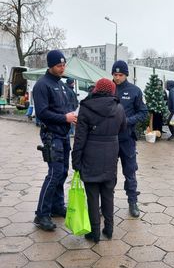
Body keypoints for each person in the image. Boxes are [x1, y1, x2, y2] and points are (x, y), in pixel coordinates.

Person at [72, 78, 126, 243]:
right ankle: (109, 229)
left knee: (92, 196)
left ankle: (94, 233)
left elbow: (79, 138)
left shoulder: (86, 108)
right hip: (110, 156)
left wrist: (76, 161)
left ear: (96, 89)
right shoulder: (119, 108)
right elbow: (122, 130)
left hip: (90, 157)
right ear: (111, 91)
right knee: (108, 194)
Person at [33, 50, 77, 231]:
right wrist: (65, 118)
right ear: (50, 66)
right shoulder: (42, 85)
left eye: (64, 64)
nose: (62, 68)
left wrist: (74, 114)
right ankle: (41, 214)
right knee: (54, 173)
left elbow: (70, 106)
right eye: (59, 65)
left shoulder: (62, 86)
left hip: (64, 135)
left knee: (63, 172)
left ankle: (57, 206)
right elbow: (42, 113)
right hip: (52, 135)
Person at [112, 60, 148, 217]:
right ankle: (106, 203)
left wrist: (128, 121)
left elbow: (143, 112)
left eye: (120, 75)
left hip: (127, 139)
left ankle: (132, 202)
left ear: (126, 75)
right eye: (115, 74)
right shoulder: (107, 89)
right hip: (109, 139)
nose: (117, 77)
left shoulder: (135, 91)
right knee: (108, 173)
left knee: (130, 171)